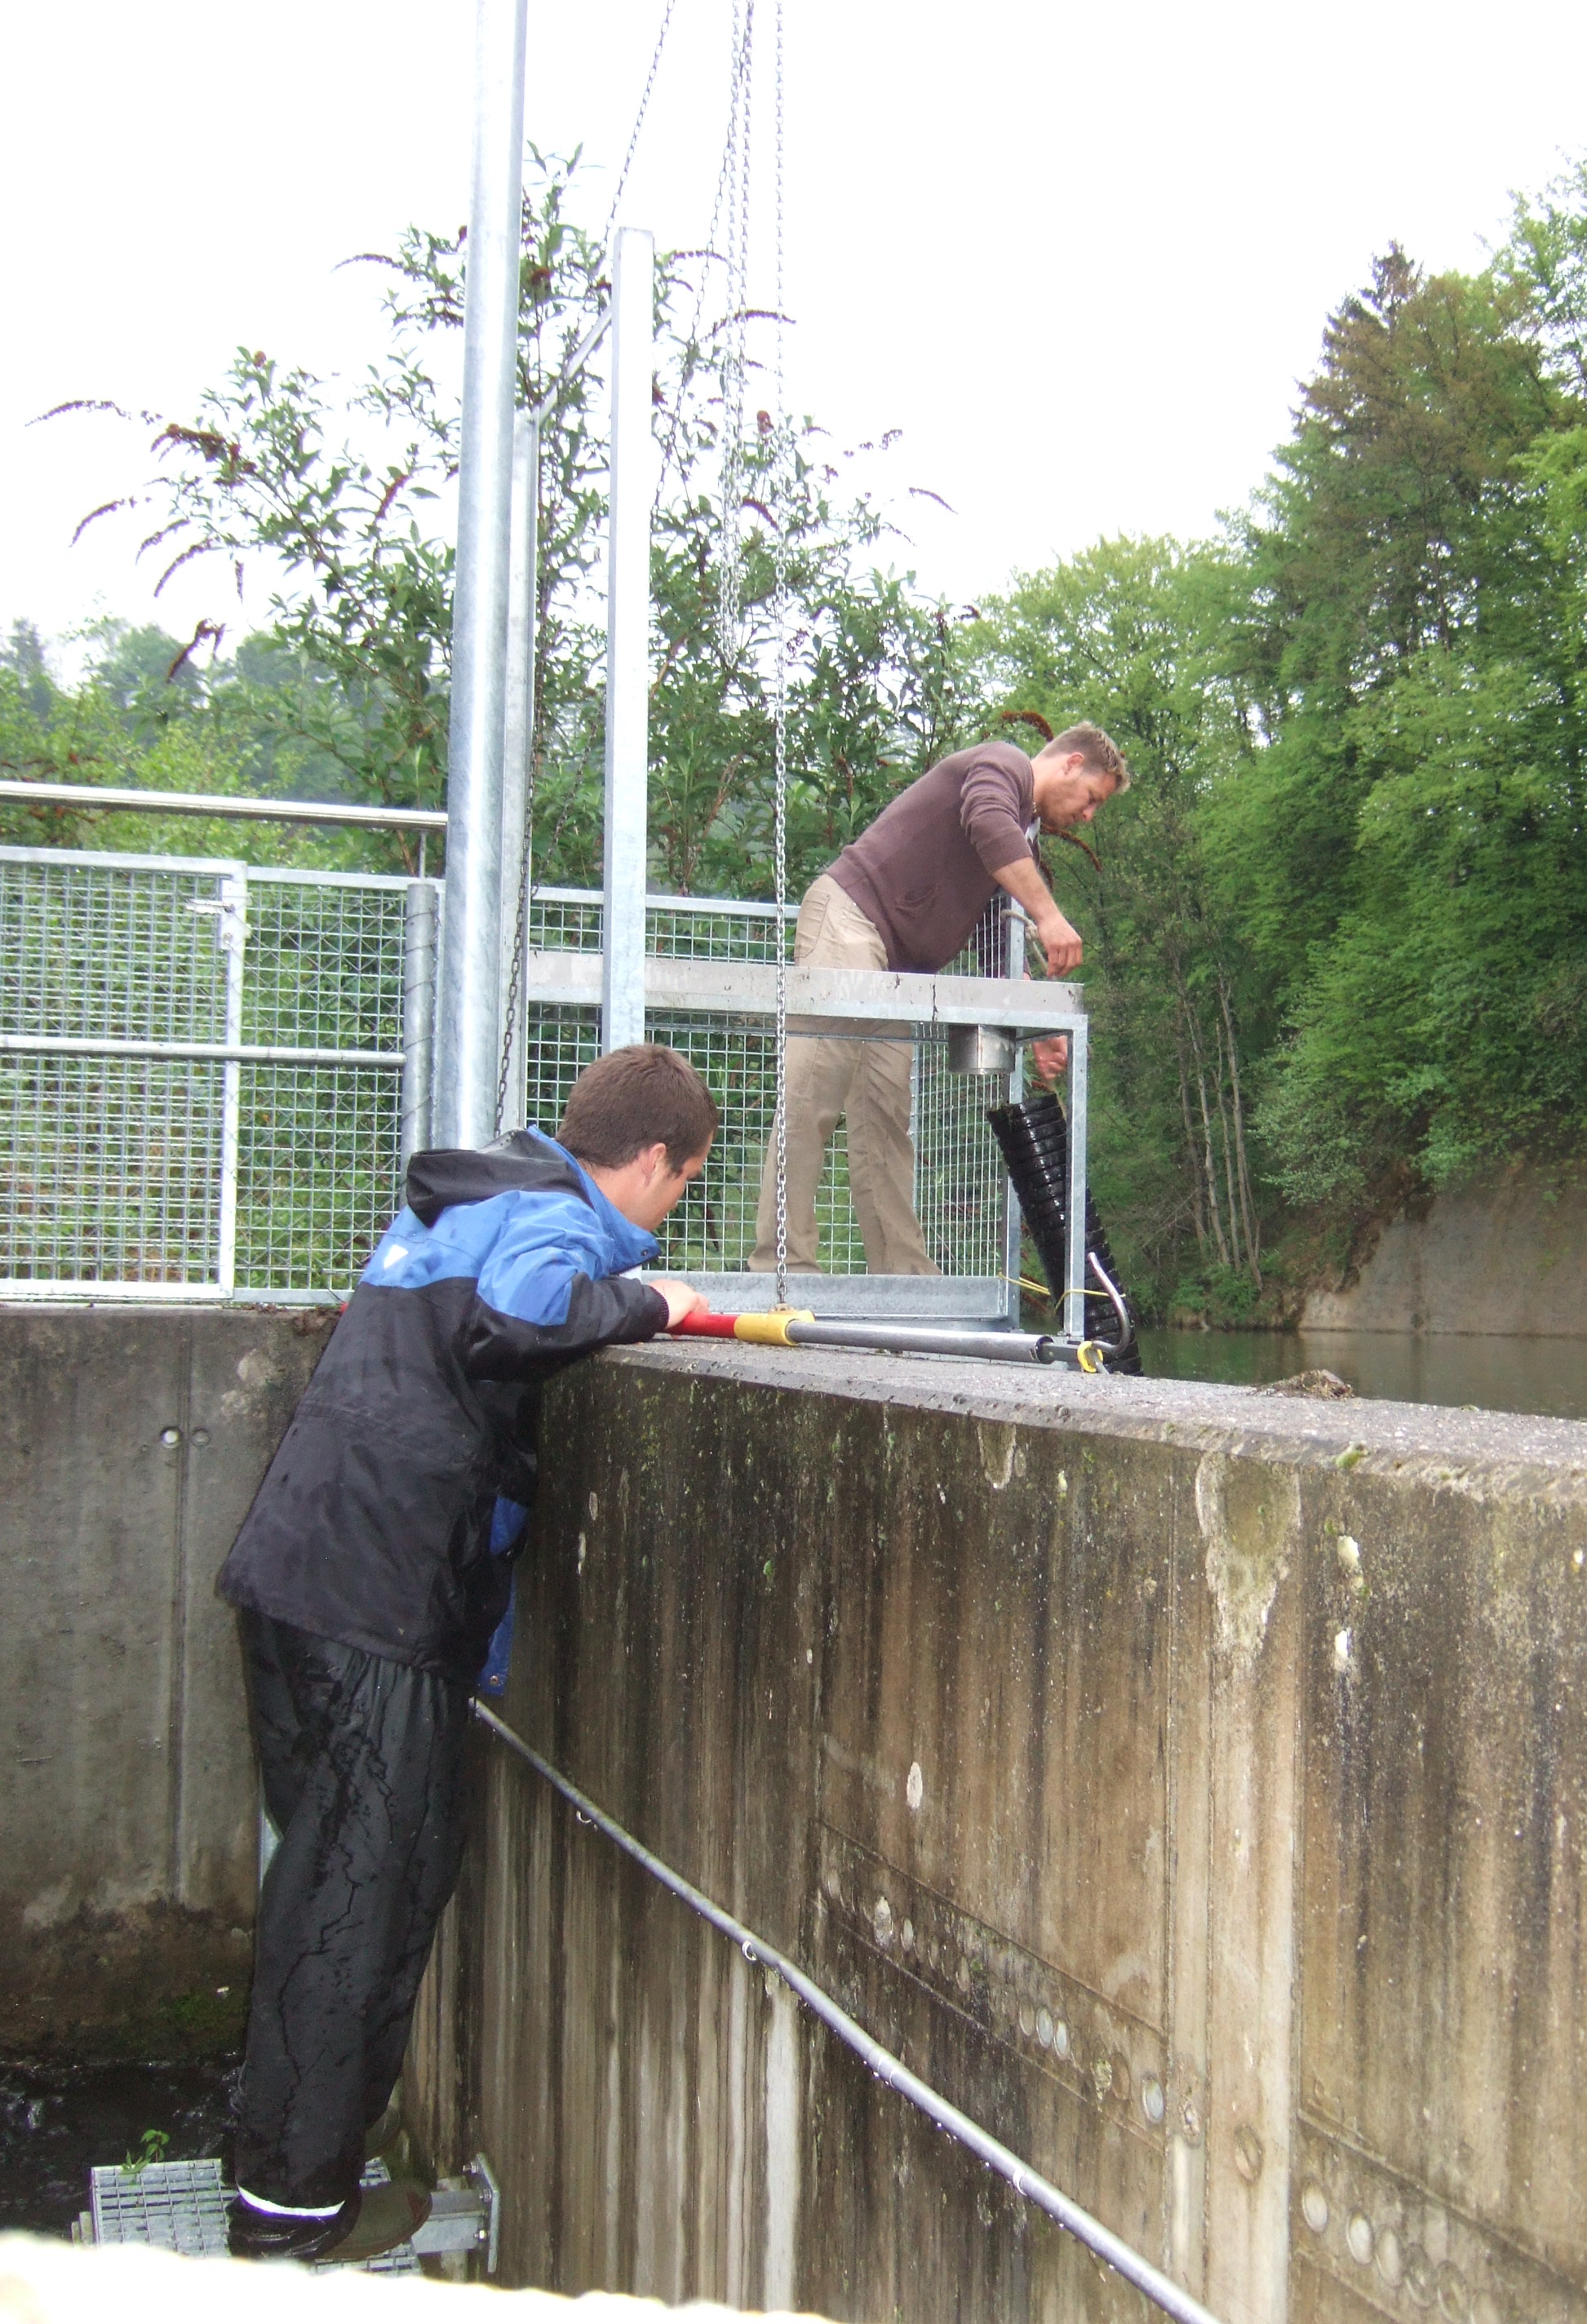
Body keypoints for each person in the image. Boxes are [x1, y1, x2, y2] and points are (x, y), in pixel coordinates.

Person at [215, 1043, 714, 2263]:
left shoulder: (470, 1196)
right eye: (681, 1184)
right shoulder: (551, 1219)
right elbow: (521, 1322)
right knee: (359, 1904)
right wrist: (656, 1302)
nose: (667, 1208)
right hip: (378, 1609)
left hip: (296, 1575)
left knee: (323, 1881)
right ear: (652, 1161)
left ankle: (285, 2178)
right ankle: (289, 2220)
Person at [749, 723, 1128, 1276]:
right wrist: (1049, 915)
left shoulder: (1020, 838)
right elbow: (985, 822)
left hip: (899, 971)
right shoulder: (1003, 766)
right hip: (851, 920)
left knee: (885, 1116)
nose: (1089, 816)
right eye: (1093, 798)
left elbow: (998, 943)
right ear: (1070, 764)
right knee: (815, 1092)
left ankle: (904, 1280)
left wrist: (1039, 1027)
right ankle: (782, 1269)